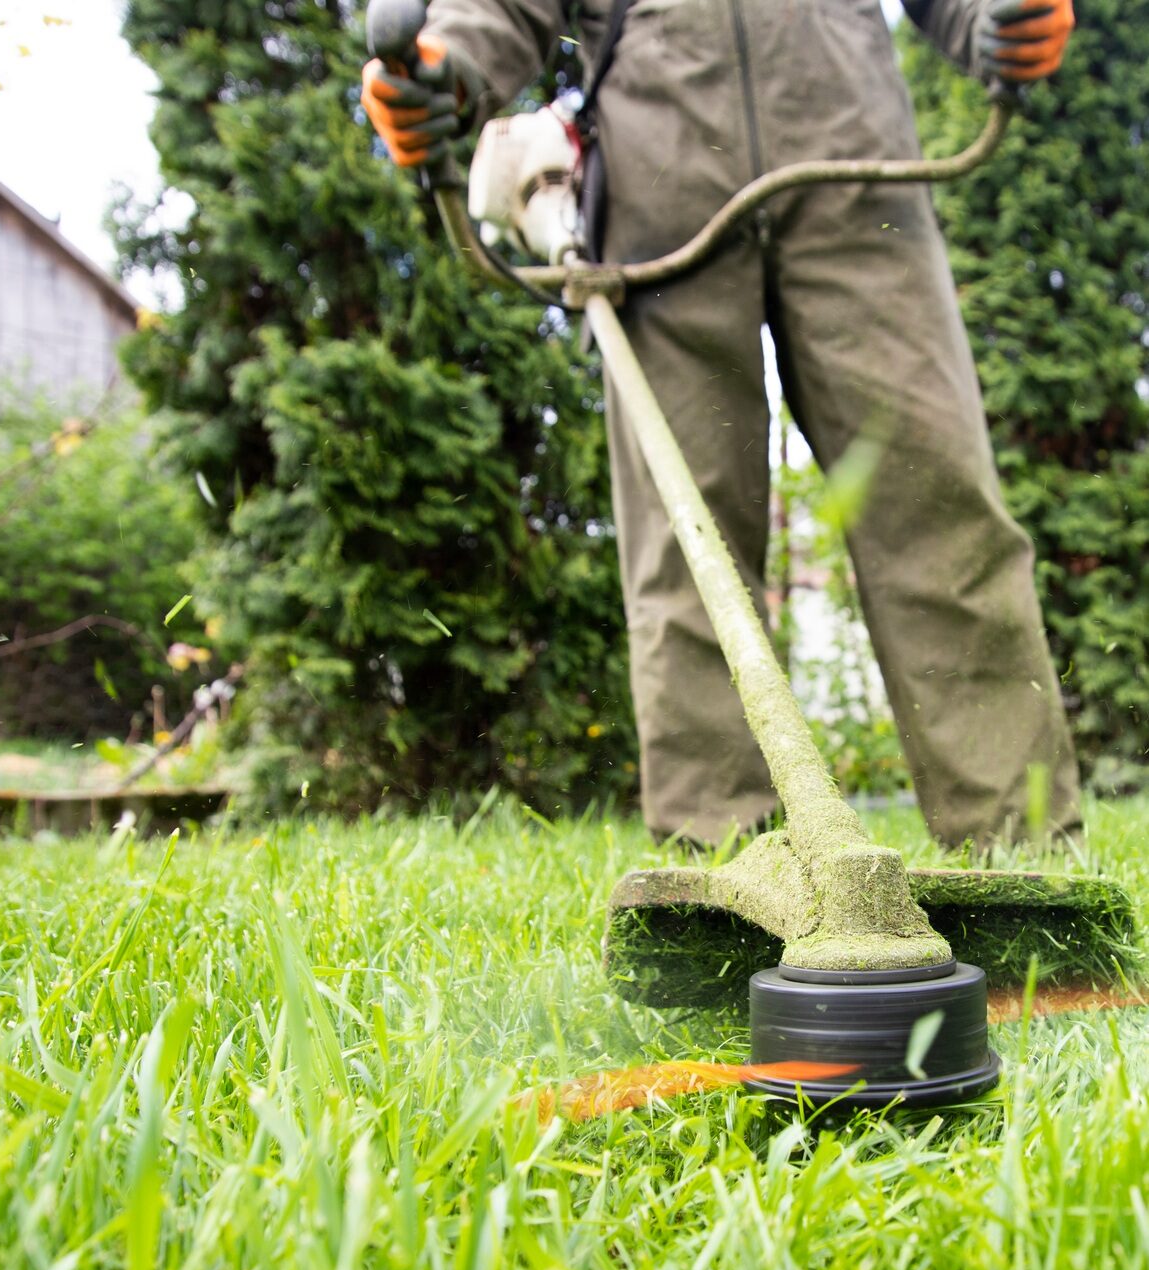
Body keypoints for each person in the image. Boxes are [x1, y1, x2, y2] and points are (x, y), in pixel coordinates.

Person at [360, 0, 1078, 847]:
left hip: (857, 170)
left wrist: (992, 14)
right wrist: (451, 65)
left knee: (938, 504)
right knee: (688, 548)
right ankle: (725, 879)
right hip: (655, 191)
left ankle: (1024, 864)